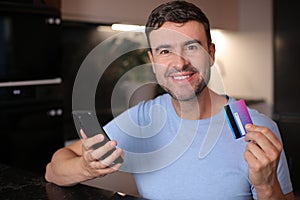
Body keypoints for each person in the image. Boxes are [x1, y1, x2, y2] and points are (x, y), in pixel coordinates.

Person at [45, 1, 295, 199]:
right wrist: (85, 168)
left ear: (211, 54)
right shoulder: (142, 118)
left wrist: (266, 187)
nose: (179, 62)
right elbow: (53, 169)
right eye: (166, 51)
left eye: (192, 47)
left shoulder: (257, 129)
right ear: (153, 62)